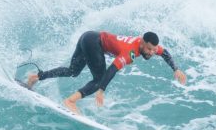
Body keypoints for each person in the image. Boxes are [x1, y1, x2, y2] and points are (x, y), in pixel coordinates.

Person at [26, 31, 187, 113]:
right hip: (94, 43)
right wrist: (101, 90)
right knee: (98, 80)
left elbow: (164, 52)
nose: (152, 53)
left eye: (154, 50)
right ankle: (70, 101)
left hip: (88, 36)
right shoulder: (130, 52)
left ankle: (36, 77)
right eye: (150, 49)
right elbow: (112, 69)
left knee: (72, 71)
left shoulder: (148, 46)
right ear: (143, 43)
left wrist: (176, 69)